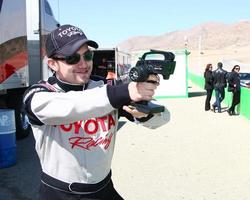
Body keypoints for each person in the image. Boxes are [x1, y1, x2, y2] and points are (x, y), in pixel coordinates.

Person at [22, 24, 170, 200]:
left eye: (88, 55)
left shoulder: (105, 90)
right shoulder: (39, 94)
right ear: (52, 64)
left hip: (104, 189)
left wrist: (145, 114)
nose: (83, 64)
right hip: (59, 193)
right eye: (72, 58)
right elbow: (69, 105)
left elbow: (164, 117)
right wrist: (123, 92)